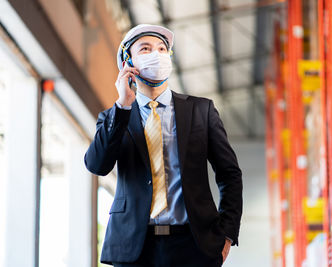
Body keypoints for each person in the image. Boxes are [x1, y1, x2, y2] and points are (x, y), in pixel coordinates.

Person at [84, 24, 243, 267]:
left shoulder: (201, 110)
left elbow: (229, 174)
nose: (156, 54)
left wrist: (227, 235)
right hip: (134, 249)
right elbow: (97, 165)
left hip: (195, 246)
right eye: (145, 49)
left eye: (161, 49)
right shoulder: (114, 117)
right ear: (128, 62)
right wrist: (123, 106)